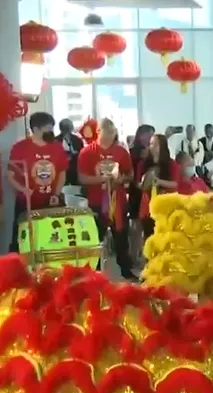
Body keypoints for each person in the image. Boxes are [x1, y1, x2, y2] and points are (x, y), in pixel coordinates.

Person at [78, 118, 137, 280]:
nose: (112, 135)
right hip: (96, 202)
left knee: (121, 237)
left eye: (113, 132)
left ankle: (126, 270)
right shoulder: (87, 152)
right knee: (95, 238)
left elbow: (130, 175)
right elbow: (82, 178)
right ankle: (94, 274)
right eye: (108, 132)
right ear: (99, 132)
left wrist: (120, 179)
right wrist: (103, 180)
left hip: (117, 202)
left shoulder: (121, 151)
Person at [7, 111, 68, 253]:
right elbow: (10, 176)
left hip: (51, 201)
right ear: (35, 129)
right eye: (48, 128)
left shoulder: (57, 147)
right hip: (26, 202)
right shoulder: (20, 148)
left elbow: (61, 174)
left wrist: (56, 194)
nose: (52, 132)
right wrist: (23, 189)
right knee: (22, 240)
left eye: (52, 128)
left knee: (53, 238)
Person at [138, 134, 178, 239]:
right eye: (151, 144)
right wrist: (145, 181)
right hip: (147, 208)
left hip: (165, 208)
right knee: (149, 239)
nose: (152, 147)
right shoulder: (143, 164)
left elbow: (175, 184)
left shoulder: (171, 164)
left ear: (163, 146)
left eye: (156, 144)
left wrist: (159, 182)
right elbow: (138, 184)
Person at [56, 119, 84, 186]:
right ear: (61, 128)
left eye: (68, 127)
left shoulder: (77, 140)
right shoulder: (55, 141)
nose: (67, 130)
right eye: (65, 127)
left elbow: (82, 156)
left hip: (75, 171)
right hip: (60, 172)